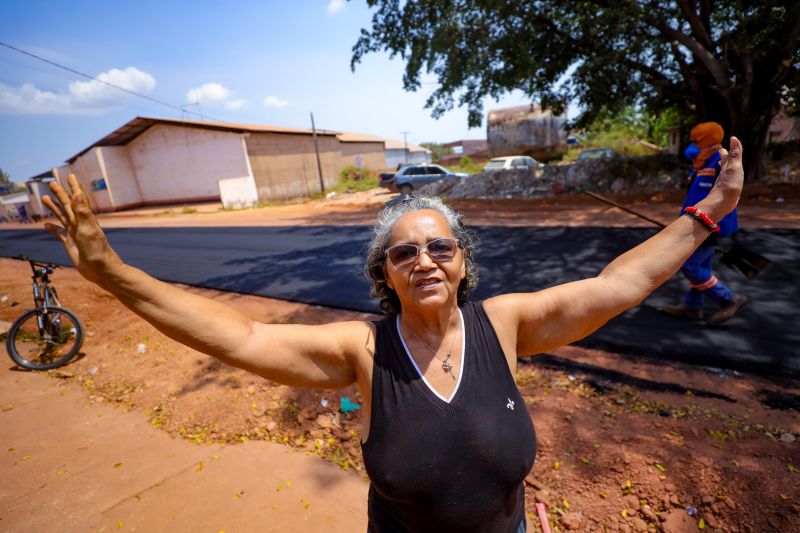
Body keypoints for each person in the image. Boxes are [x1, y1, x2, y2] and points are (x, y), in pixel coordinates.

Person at [41, 138, 745, 532]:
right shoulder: (361, 350)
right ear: (387, 274)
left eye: (439, 246)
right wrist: (113, 274)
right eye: (403, 252)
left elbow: (613, 287)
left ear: (462, 260)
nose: (424, 259)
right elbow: (242, 336)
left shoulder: (503, 323)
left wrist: (704, 215)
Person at [661, 122, 747, 325]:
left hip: (709, 227)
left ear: (707, 141)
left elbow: (718, 200)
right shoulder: (702, 164)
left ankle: (728, 299)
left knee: (689, 265)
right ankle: (693, 306)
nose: (692, 146)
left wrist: (694, 226)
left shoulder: (717, 163)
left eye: (696, 141)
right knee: (702, 265)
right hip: (700, 224)